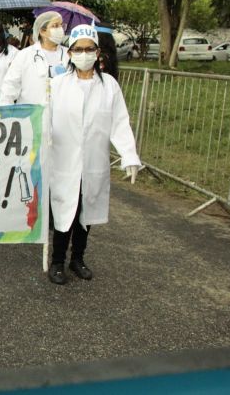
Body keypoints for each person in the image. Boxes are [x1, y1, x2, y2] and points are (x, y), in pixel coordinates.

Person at [48, 24, 141, 285]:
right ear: (70, 53)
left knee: (86, 213)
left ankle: (78, 258)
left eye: (89, 49)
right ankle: (57, 262)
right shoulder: (57, 85)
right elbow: (45, 121)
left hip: (93, 162)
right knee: (65, 210)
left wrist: (129, 155)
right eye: (78, 49)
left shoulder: (109, 86)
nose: (84, 54)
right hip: (64, 161)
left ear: (97, 52)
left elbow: (120, 122)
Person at [0, 11, 68, 105]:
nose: (60, 29)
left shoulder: (68, 54)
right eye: (55, 26)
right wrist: (5, 112)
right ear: (42, 31)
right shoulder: (25, 55)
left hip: (61, 113)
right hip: (30, 115)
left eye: (61, 25)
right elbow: (10, 86)